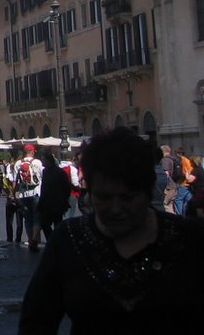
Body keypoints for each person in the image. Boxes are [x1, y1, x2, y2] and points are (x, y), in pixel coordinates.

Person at [19, 127, 204, 333]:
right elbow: (36, 321)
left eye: (127, 197)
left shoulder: (190, 238)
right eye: (104, 197)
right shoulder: (69, 239)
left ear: (148, 191)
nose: (115, 209)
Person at [15, 144, 44, 251]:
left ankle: (30, 239)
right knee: (37, 217)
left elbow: (16, 180)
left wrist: (15, 194)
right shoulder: (37, 163)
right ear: (32, 152)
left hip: (23, 194)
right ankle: (35, 240)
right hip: (36, 193)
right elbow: (42, 176)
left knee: (27, 219)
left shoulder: (18, 164)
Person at [37, 152, 71, 240]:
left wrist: (63, 201)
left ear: (48, 161)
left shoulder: (60, 172)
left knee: (54, 224)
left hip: (56, 203)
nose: (42, 162)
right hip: (49, 203)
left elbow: (66, 188)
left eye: (43, 160)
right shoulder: (45, 171)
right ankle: (53, 240)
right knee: (46, 224)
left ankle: (55, 241)